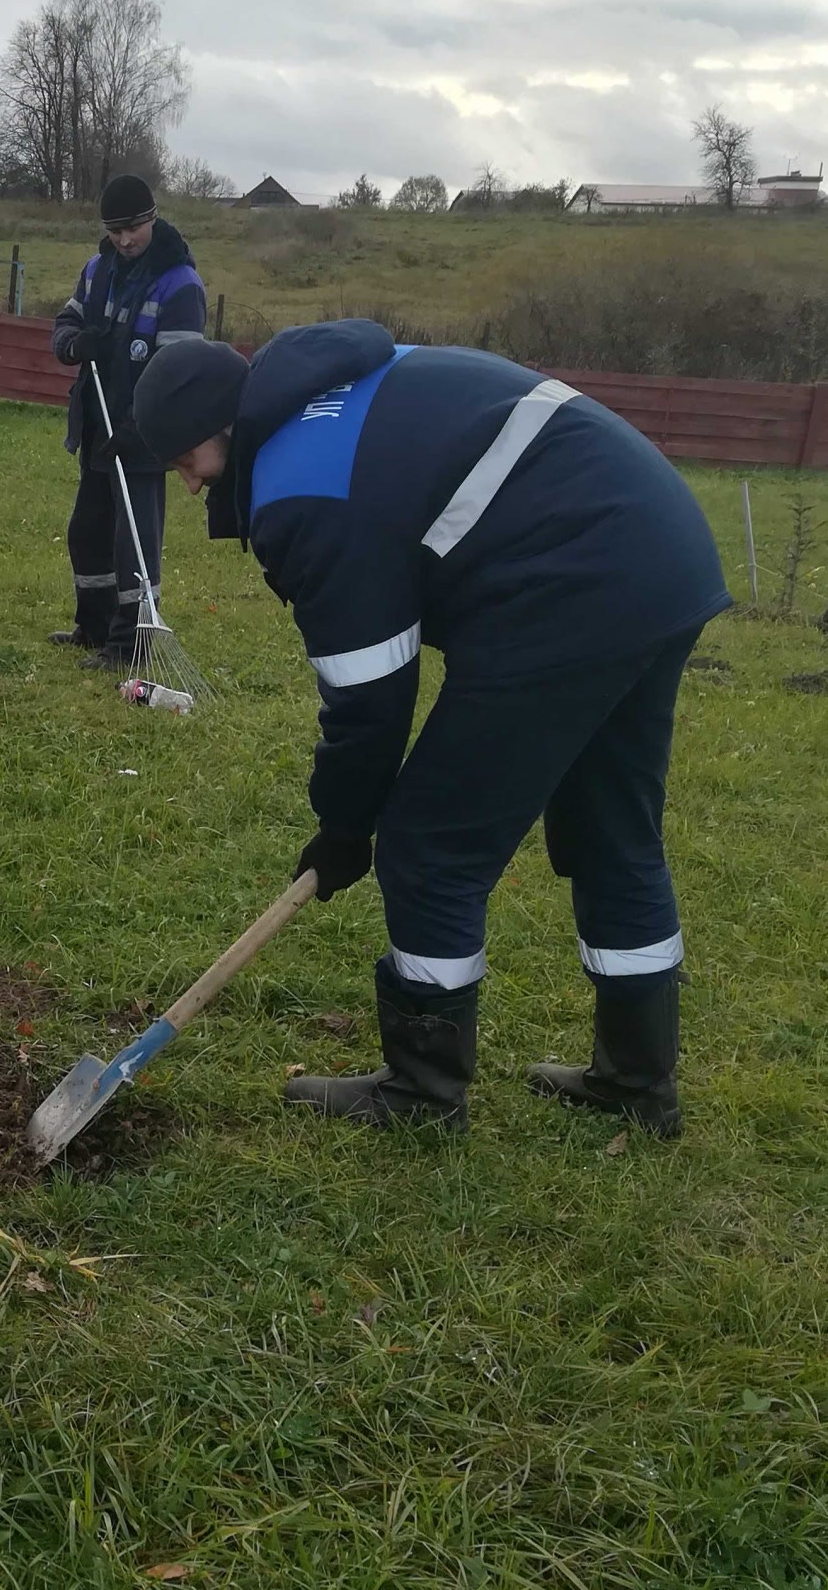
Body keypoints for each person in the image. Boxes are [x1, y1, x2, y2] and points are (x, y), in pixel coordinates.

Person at [131, 319, 729, 1136]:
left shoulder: (301, 488)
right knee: (608, 824)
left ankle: (421, 1093)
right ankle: (635, 1082)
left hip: (570, 586)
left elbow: (369, 696)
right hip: (660, 550)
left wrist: (347, 826)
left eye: (184, 463)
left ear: (221, 433)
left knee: (429, 843)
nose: (192, 488)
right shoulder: (323, 390)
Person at [49, 174, 209, 668]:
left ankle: (131, 644)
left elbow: (180, 374)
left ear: (152, 217)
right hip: (97, 422)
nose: (124, 240)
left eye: (133, 228)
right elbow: (64, 325)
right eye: (115, 231)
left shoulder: (180, 284)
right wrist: (77, 344)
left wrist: (140, 429)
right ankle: (94, 626)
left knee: (133, 542)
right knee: (87, 530)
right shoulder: (98, 270)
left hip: (142, 436)